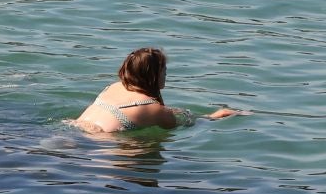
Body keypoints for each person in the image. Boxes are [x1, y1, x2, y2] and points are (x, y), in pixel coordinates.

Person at [73, 47, 242, 133]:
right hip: (91, 145)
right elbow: (186, 123)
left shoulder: (114, 87)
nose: (166, 73)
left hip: (71, 130)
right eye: (163, 70)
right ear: (152, 75)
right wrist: (215, 116)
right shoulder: (155, 110)